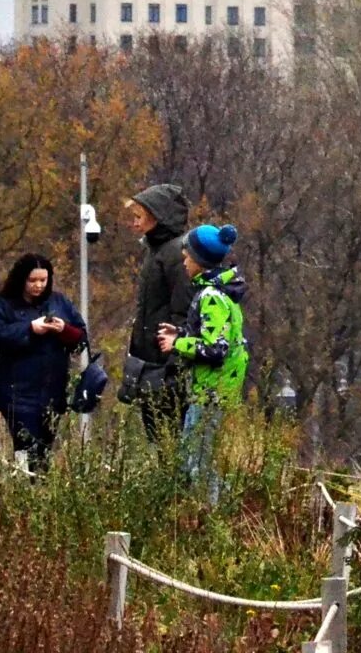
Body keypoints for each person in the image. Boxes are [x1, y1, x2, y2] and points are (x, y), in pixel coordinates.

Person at [160, 222, 247, 505]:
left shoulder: (212, 296)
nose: (184, 262)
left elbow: (215, 348)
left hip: (210, 395)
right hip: (212, 393)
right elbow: (213, 335)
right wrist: (183, 334)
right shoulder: (219, 292)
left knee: (199, 463)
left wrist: (177, 345)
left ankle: (211, 518)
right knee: (195, 460)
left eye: (187, 257)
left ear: (200, 260)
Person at [0, 251, 88, 470]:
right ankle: (25, 484)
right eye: (32, 280)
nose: (38, 285)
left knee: (44, 449)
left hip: (53, 392)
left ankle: (39, 488)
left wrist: (63, 329)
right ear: (21, 279)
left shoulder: (59, 302)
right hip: (17, 392)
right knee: (25, 445)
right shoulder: (4, 305)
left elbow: (81, 338)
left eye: (43, 280)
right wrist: (31, 328)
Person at [120, 182, 192, 437]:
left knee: (167, 439)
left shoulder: (174, 254)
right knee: (160, 438)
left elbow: (182, 310)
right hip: (152, 361)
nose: (135, 223)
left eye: (139, 216)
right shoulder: (157, 251)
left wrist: (174, 362)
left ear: (157, 217)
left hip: (164, 366)